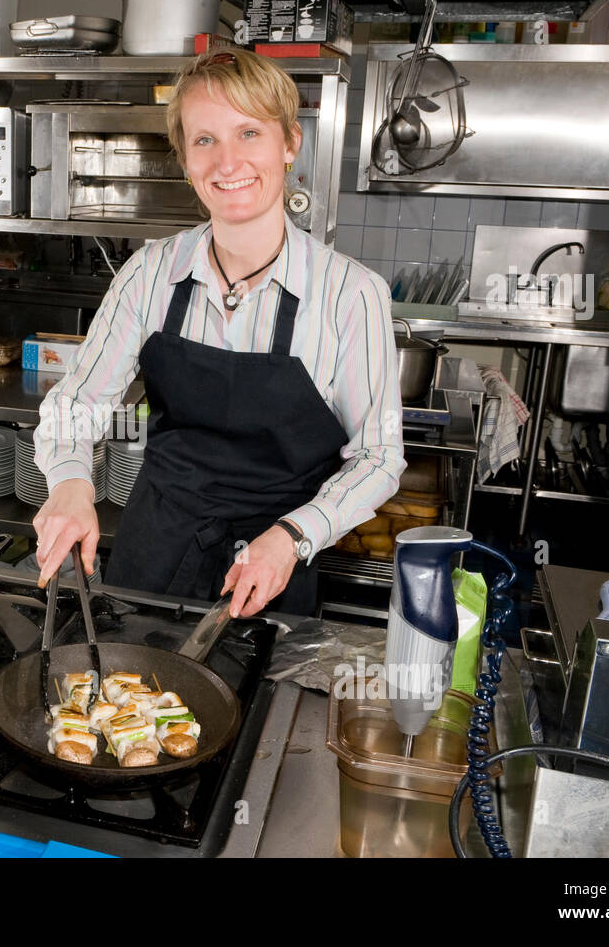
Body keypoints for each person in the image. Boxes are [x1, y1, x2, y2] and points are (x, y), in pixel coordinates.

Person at [31, 48, 405, 619]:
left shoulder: (350, 295)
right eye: (204, 140)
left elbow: (378, 457)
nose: (227, 162)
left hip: (273, 562)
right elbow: (78, 402)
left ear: (289, 144)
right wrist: (71, 484)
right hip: (155, 544)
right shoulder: (150, 272)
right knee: (120, 700)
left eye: (249, 132)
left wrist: (292, 538)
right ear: (185, 160)